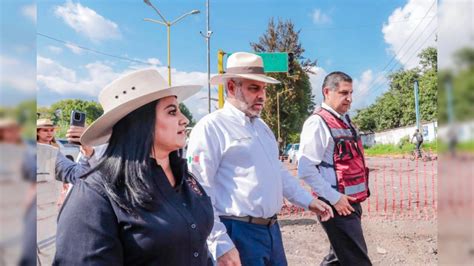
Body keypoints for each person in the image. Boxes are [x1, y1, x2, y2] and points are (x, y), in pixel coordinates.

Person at [53, 69, 214, 265]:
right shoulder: (94, 194)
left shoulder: (185, 177)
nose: (185, 119)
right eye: (172, 111)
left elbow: (198, 246)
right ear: (140, 122)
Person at [186, 52, 333, 266]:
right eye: (254, 88)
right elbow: (199, 191)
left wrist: (308, 201)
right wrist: (219, 243)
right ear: (231, 87)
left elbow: (279, 172)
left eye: (263, 88)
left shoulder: (262, 128)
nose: (262, 95)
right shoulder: (211, 127)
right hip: (236, 231)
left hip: (271, 231)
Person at [298, 71, 372, 266]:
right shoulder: (317, 123)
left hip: (349, 203)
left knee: (338, 258)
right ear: (326, 92)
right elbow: (305, 169)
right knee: (357, 260)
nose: (350, 98)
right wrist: (334, 198)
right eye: (344, 93)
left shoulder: (344, 119)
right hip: (336, 205)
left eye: (351, 93)